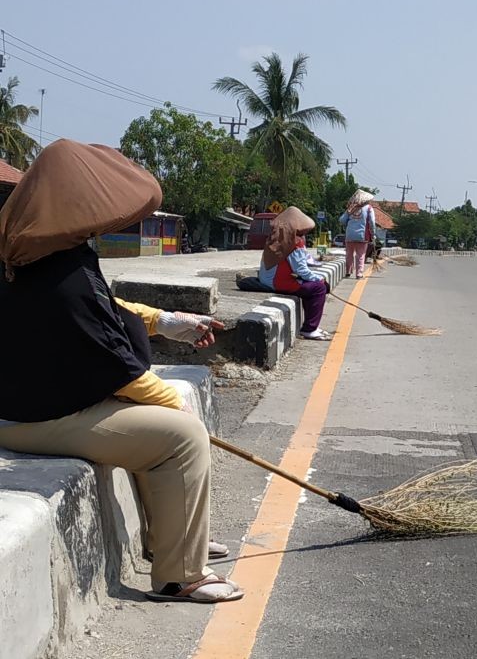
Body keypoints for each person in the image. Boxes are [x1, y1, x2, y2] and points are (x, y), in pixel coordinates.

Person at [0, 139, 241, 604]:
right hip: (36, 419)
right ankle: (180, 575)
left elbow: (109, 310)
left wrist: (168, 323)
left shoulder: (30, 255)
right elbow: (122, 367)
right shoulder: (65, 275)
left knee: (157, 426)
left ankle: (171, 539)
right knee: (179, 438)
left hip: (24, 403)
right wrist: (183, 412)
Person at [258, 206, 332, 341]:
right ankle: (310, 329)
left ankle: (311, 325)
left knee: (310, 285)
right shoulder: (294, 243)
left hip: (266, 279)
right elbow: (301, 270)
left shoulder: (276, 238)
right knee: (318, 288)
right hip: (277, 282)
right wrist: (320, 280)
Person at [339, 189, 377, 279]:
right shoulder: (369, 208)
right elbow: (372, 222)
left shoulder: (351, 208)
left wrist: (348, 213)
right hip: (362, 236)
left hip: (349, 235)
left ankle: (348, 271)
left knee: (349, 254)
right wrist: (373, 234)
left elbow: (342, 221)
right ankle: (359, 273)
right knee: (361, 255)